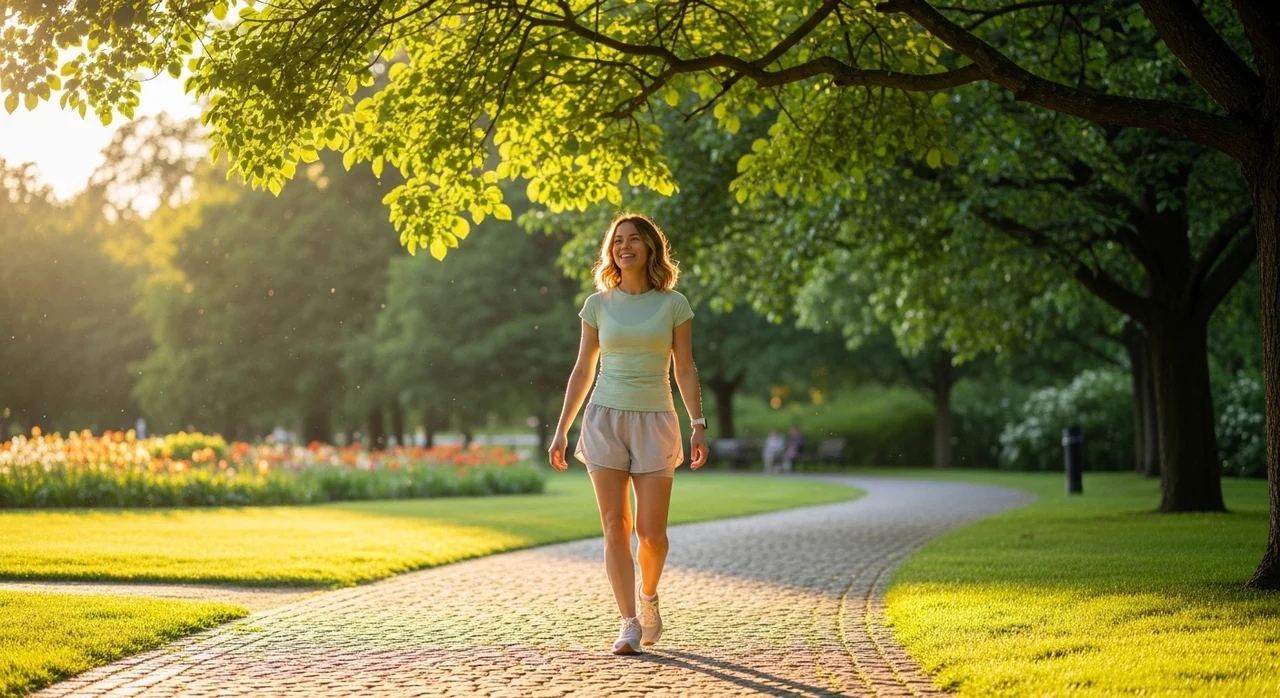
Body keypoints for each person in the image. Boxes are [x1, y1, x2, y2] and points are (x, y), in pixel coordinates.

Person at [548, 212, 708, 655]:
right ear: (610, 250)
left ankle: (650, 596)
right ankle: (628, 622)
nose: (625, 247)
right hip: (603, 419)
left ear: (650, 247)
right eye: (618, 240)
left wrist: (697, 423)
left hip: (656, 419)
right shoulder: (597, 305)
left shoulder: (674, 304)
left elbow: (685, 368)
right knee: (615, 525)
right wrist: (562, 429)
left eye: (634, 239)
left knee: (652, 534)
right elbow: (583, 369)